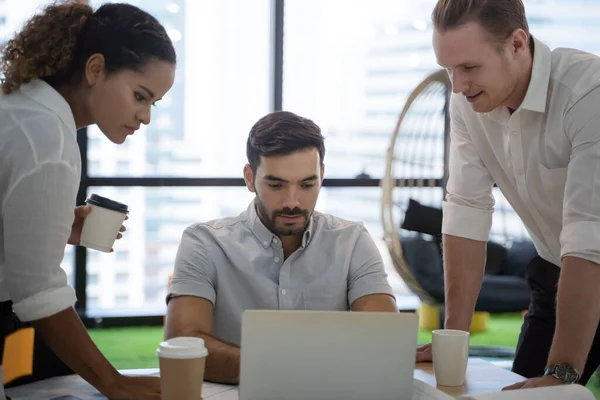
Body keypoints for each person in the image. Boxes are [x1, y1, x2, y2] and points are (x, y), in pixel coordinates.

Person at [415, 0, 600, 390]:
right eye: (449, 69)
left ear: (517, 44)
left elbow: (588, 234)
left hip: (588, 259)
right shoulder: (467, 104)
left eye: (469, 67)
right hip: (557, 273)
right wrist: (454, 340)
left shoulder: (588, 93)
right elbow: (467, 208)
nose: (457, 85)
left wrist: (561, 374)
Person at [0, 1, 175, 398]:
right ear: (95, 69)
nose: (145, 116)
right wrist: (114, 382)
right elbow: (38, 293)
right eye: (140, 96)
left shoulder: (21, 107)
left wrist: (52, 228)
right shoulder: (48, 140)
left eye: (153, 103)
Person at [164, 111, 398, 384]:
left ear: (321, 174)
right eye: (276, 185)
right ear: (250, 178)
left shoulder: (353, 241)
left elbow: (386, 343)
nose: (292, 201)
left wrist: (267, 366)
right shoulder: (204, 242)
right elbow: (182, 345)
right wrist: (301, 369)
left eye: (307, 184)